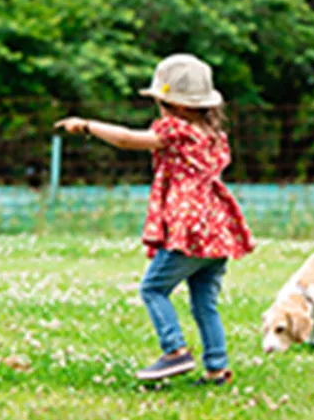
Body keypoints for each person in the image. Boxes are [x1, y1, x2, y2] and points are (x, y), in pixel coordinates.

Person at [56, 53, 254, 385]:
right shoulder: (213, 135)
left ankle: (175, 351)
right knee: (205, 303)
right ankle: (217, 367)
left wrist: (87, 125)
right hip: (217, 229)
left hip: (190, 226)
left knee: (153, 288)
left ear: (171, 104)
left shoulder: (176, 130)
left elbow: (125, 139)